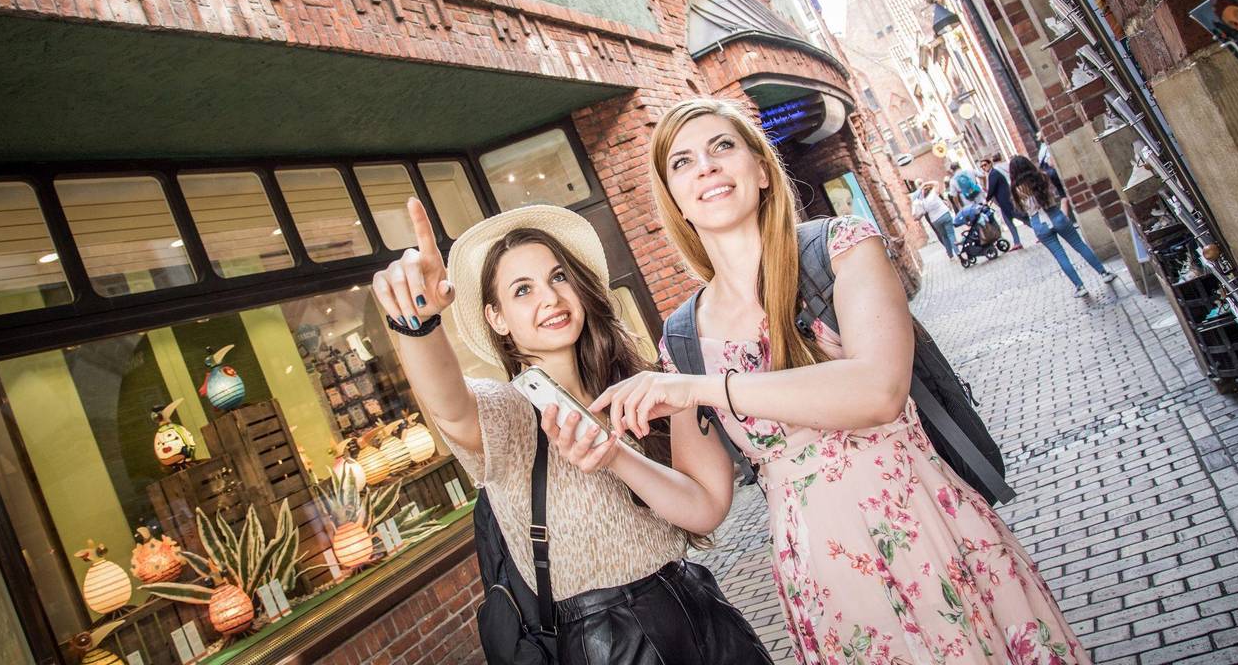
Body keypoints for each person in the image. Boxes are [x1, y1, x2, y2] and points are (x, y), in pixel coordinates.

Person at [593, 97, 1090, 665]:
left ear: (761, 170)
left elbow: (879, 392)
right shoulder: (683, 338)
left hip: (927, 534)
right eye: (682, 162)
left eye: (721, 146)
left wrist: (706, 388)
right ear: (674, 199)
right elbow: (705, 505)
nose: (705, 167)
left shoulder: (842, 248)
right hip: (827, 581)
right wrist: (613, 456)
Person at [370, 198, 771, 665]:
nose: (550, 298)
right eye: (522, 290)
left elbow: (705, 510)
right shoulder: (512, 413)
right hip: (610, 645)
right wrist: (418, 324)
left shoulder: (640, 389)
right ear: (497, 318)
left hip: (703, 612)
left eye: (558, 277)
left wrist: (624, 448)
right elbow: (452, 406)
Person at [1008, 155, 1118, 298]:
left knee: (1060, 256)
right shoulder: (1042, 177)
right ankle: (1104, 273)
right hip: (1055, 214)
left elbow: (1021, 210)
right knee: (1079, 245)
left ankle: (1080, 286)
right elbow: (1056, 193)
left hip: (1038, 223)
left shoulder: (1016, 189)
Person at [980, 154, 1025, 250]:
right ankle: (1017, 242)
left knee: (1022, 218)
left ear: (990, 164)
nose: (983, 167)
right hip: (1004, 203)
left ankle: (1038, 231)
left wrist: (986, 200)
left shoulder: (994, 173)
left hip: (1007, 201)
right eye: (982, 166)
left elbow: (992, 189)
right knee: (1009, 222)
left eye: (985, 165)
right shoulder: (991, 174)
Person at [912, 180, 958, 258]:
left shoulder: (922, 201)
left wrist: (917, 218)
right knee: (951, 234)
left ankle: (950, 255)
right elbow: (936, 183)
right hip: (944, 214)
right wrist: (925, 183)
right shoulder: (933, 193)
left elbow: (920, 212)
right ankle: (957, 252)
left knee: (943, 236)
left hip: (934, 220)